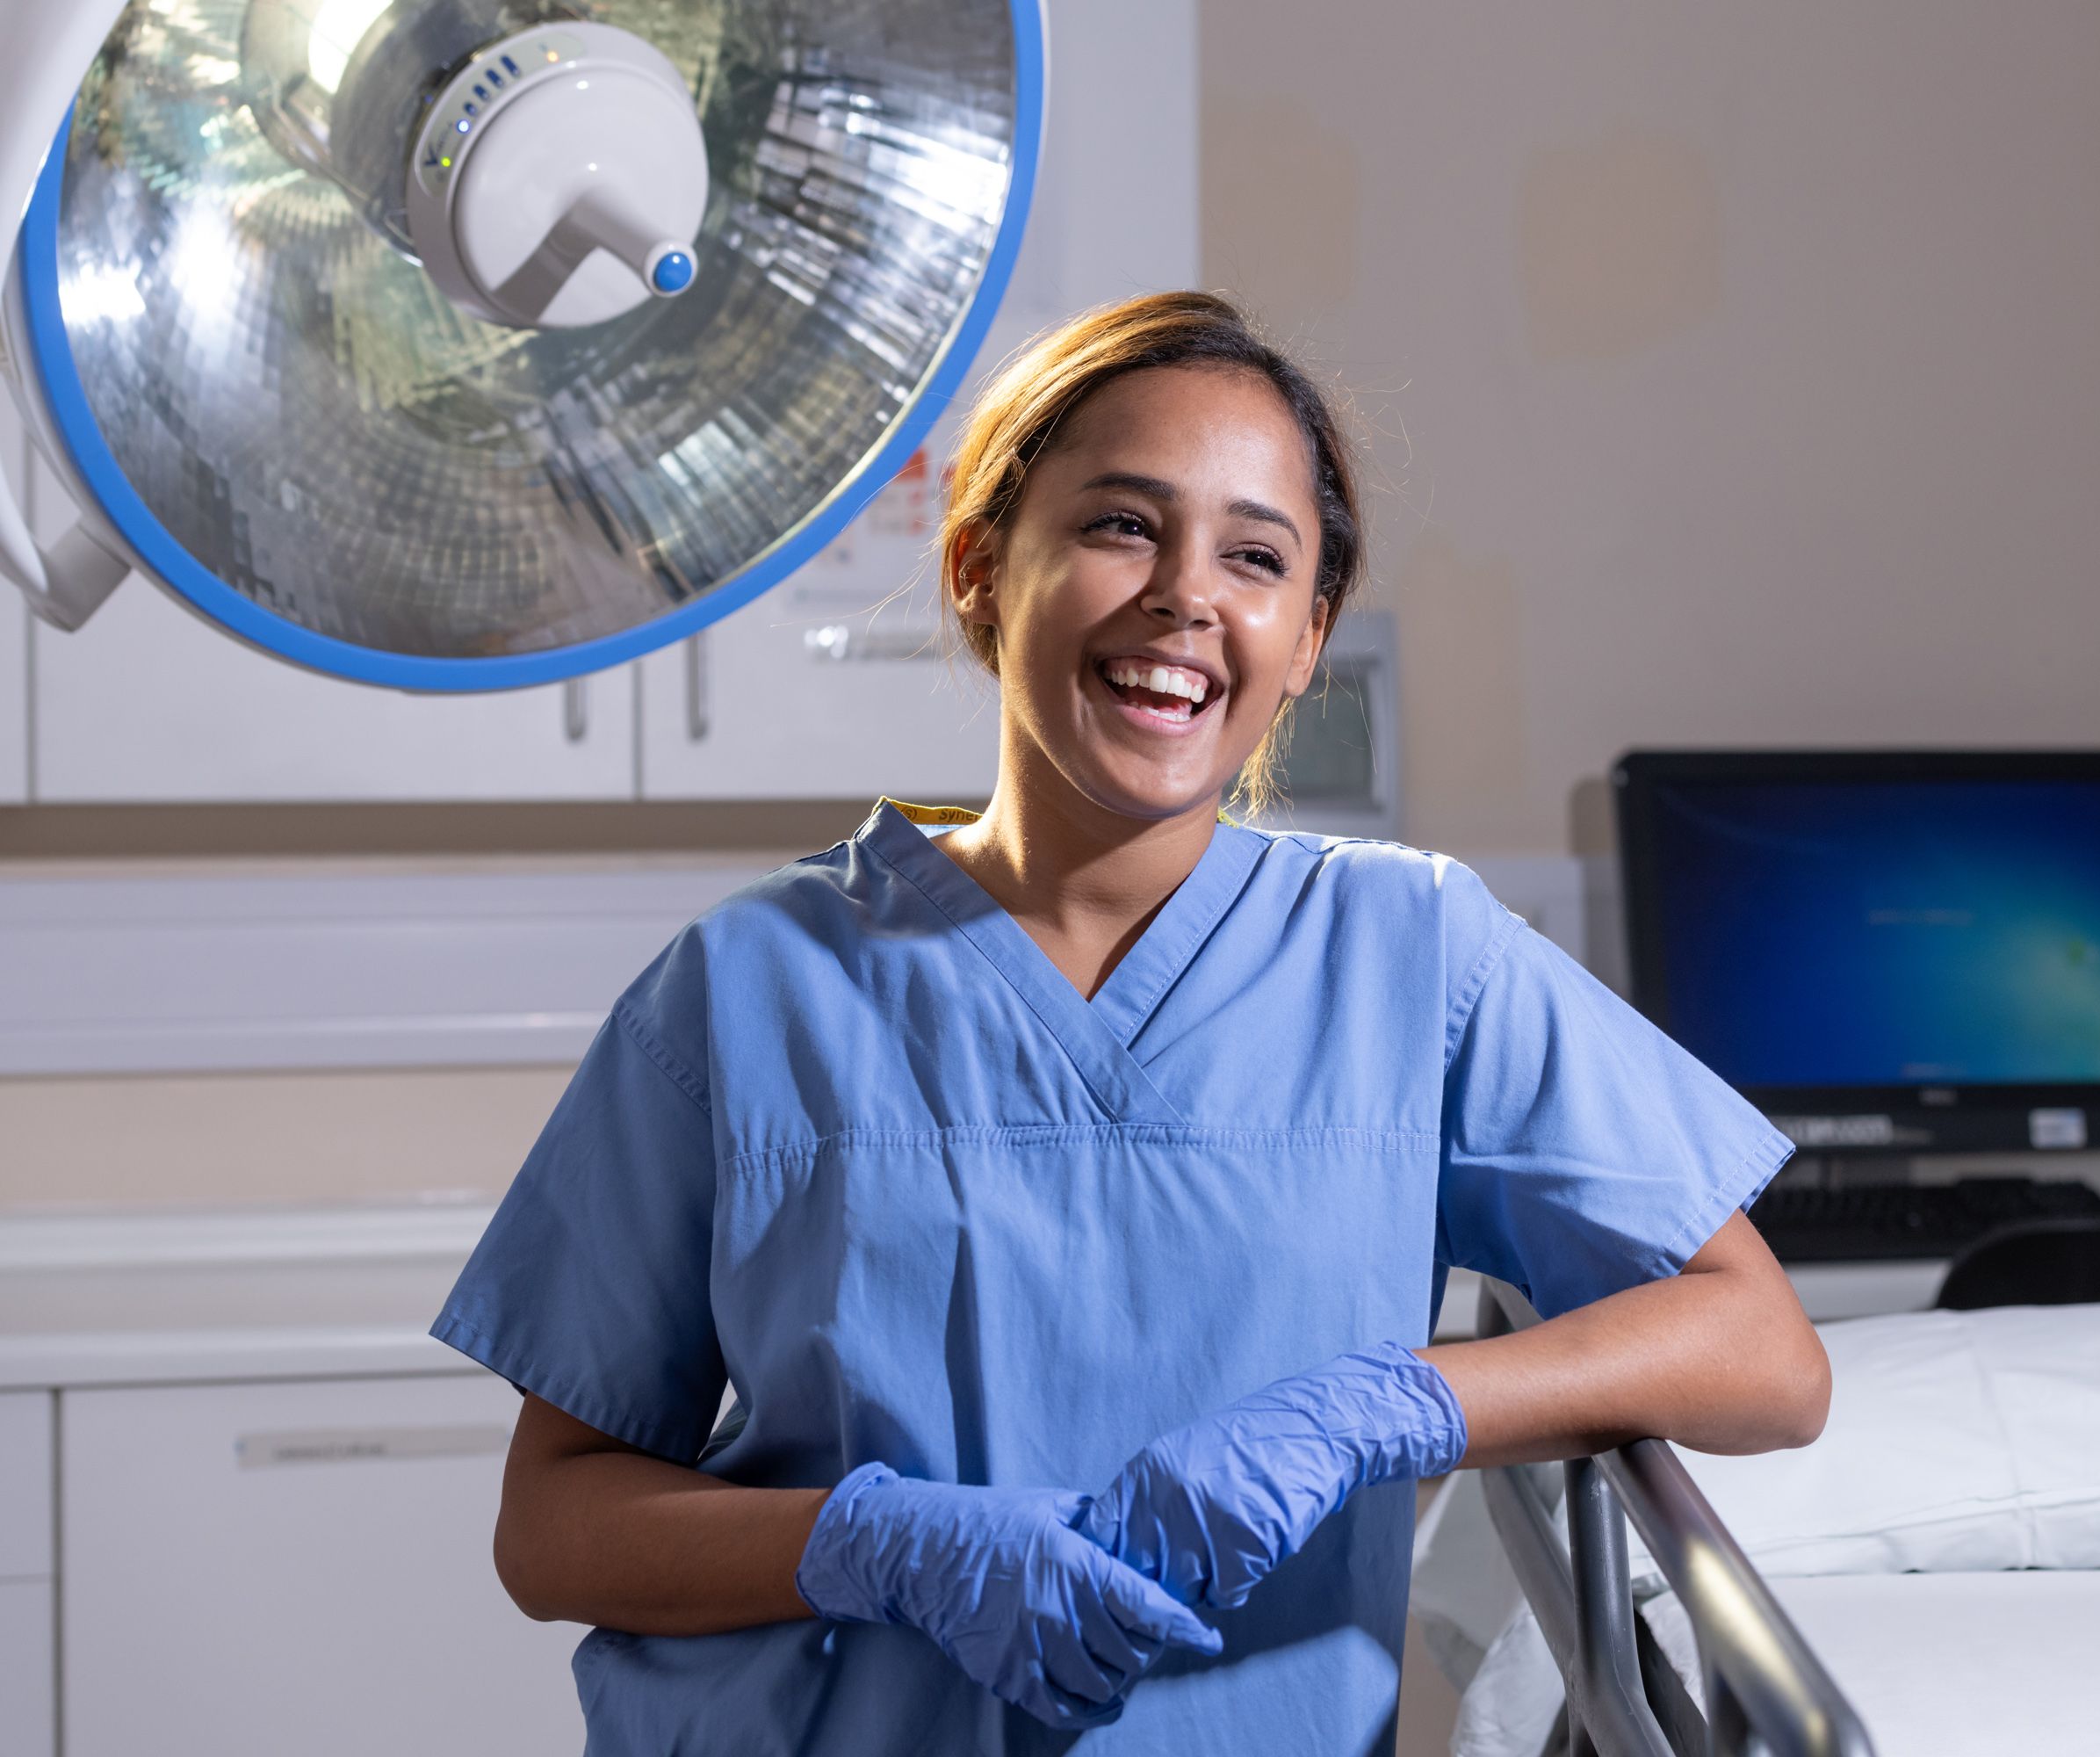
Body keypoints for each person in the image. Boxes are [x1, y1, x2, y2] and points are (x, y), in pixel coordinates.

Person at [434, 291, 1829, 1755]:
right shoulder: (752, 986)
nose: (1186, 597)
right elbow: (552, 1528)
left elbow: (1763, 1356)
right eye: (1119, 525)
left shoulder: (1414, 955)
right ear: (981, 569)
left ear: (1305, 642)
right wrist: (882, 1543)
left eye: (1255, 558)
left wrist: (1375, 1413)